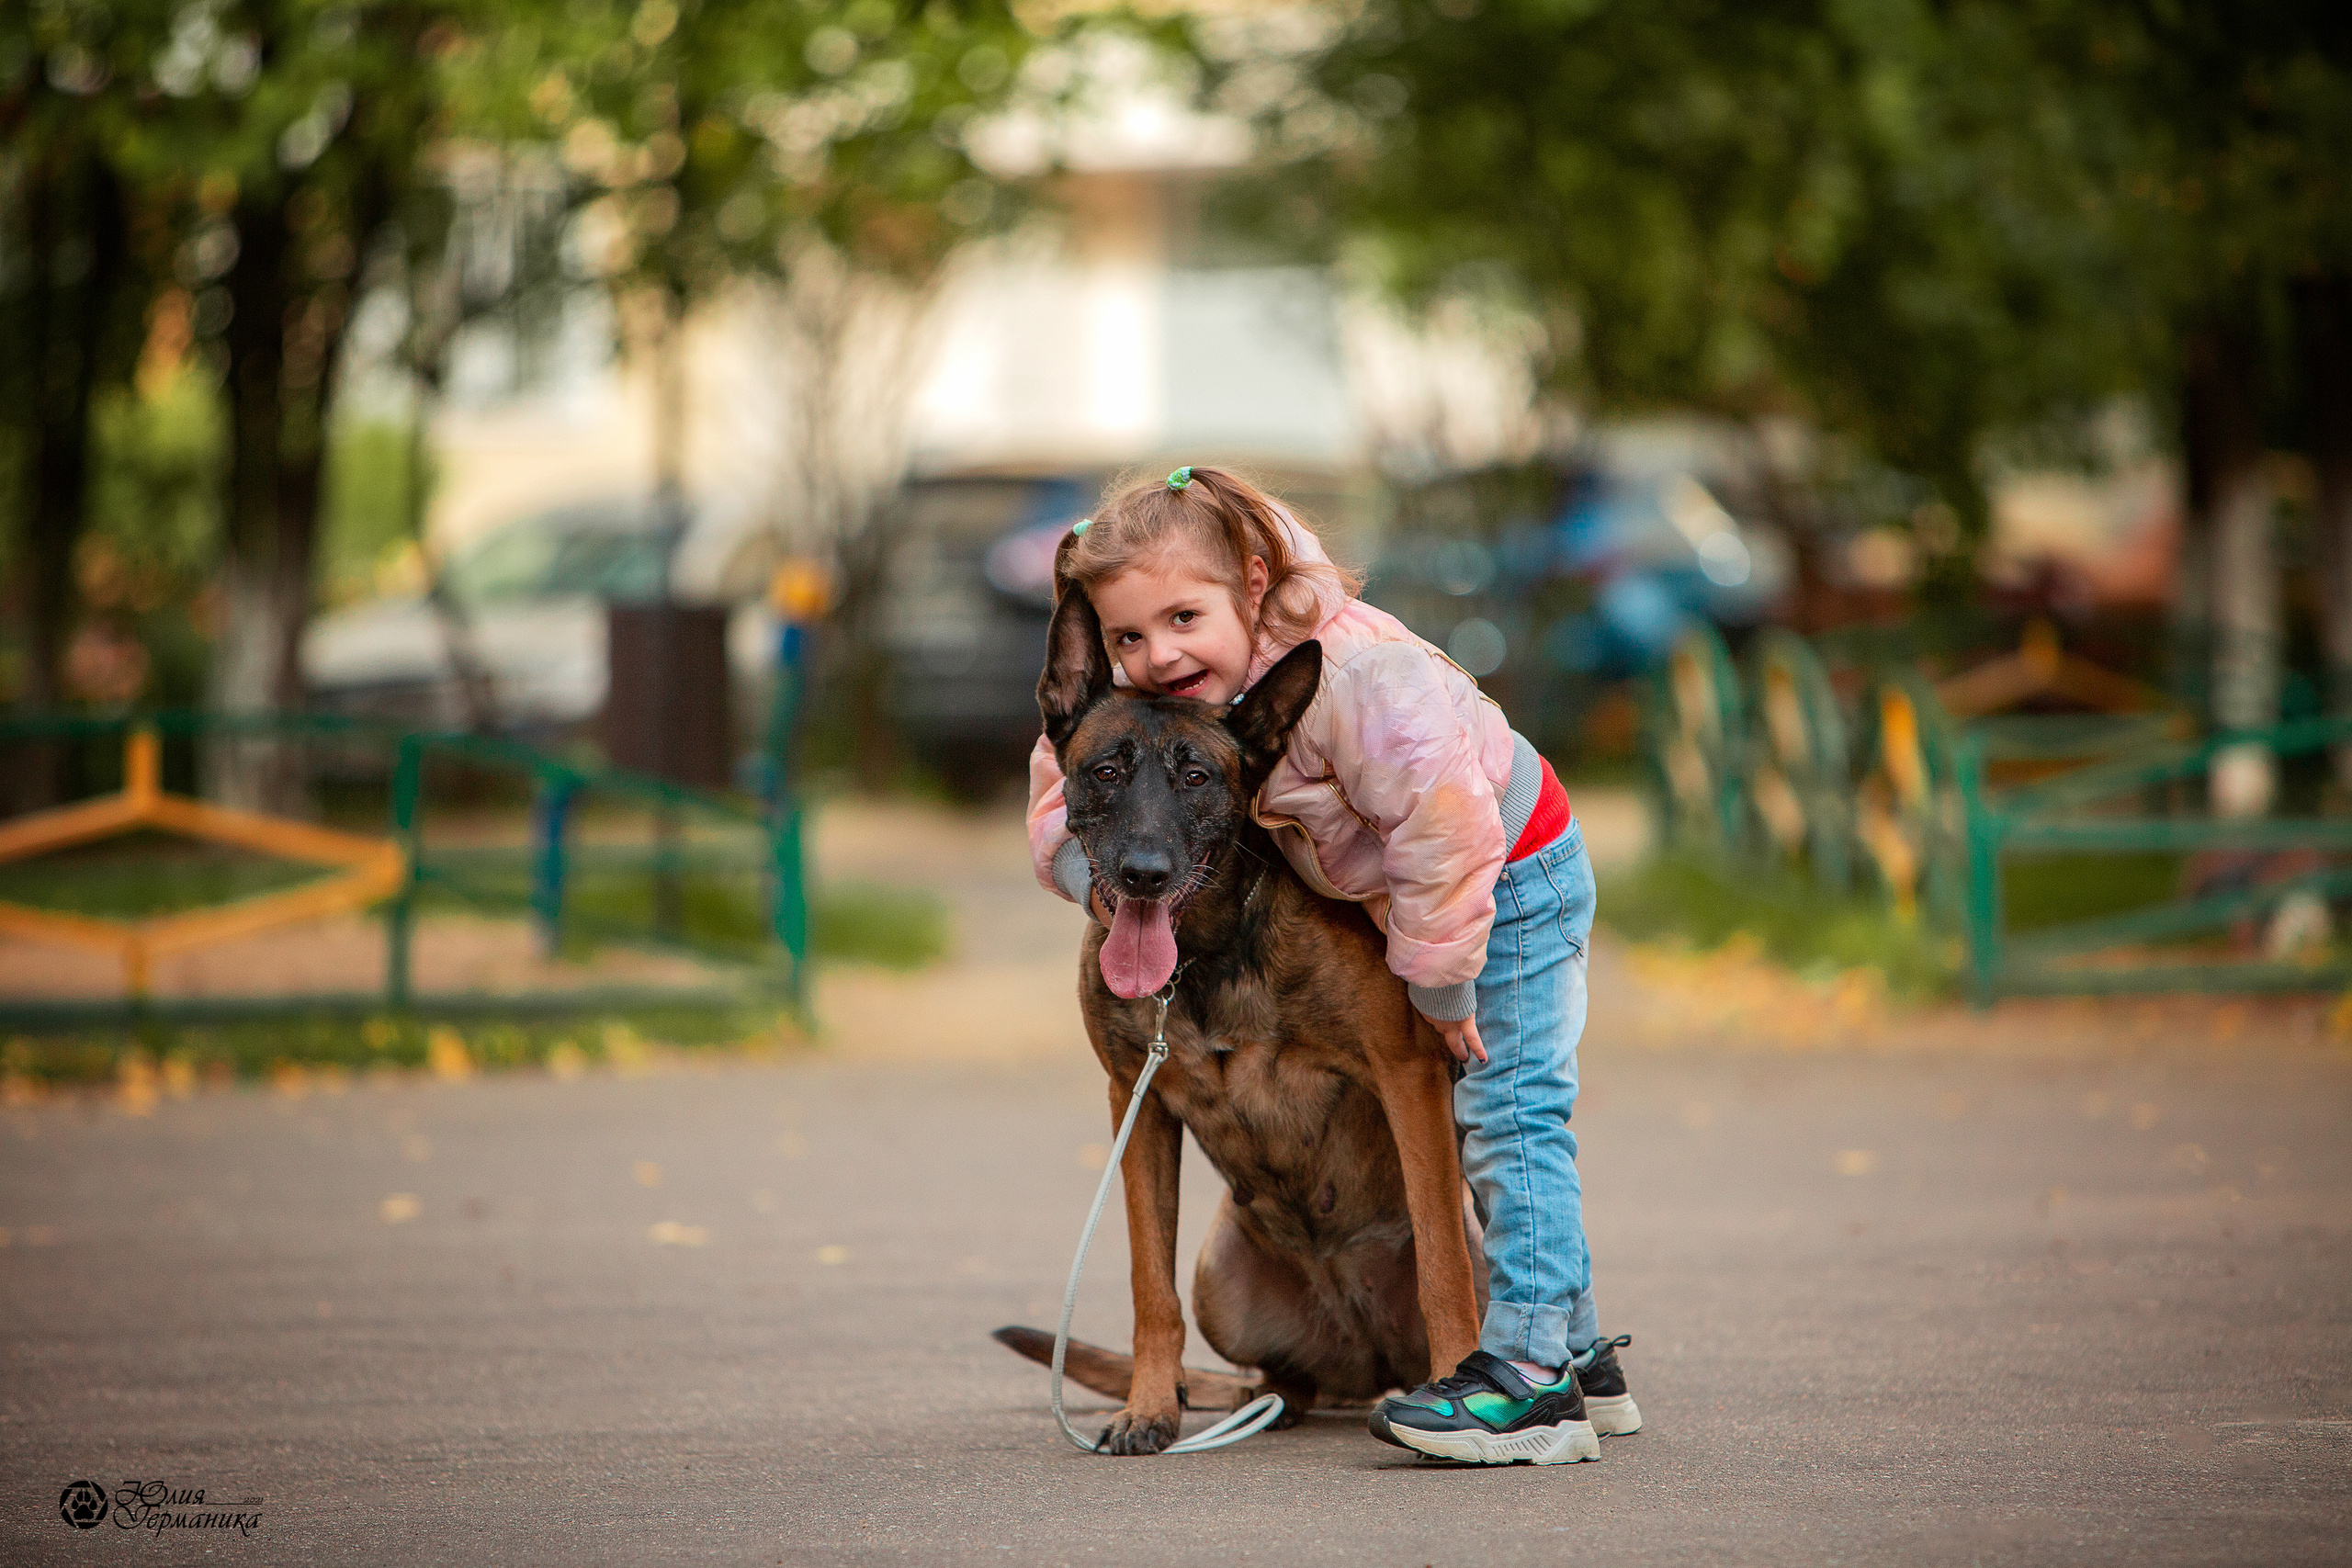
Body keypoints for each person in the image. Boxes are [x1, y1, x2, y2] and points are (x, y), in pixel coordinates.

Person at [1024, 464, 1640, 1465]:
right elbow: (1061, 785)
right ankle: (1581, 1358)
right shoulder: (1147, 689)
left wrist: (1438, 985)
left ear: (1254, 584)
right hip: (1406, 880)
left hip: (1509, 869)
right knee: (1500, 1126)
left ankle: (1524, 1379)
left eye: (1183, 618)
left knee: (1507, 1113)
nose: (1155, 654)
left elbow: (1444, 836)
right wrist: (1086, 875)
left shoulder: (1362, 679)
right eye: (1128, 636)